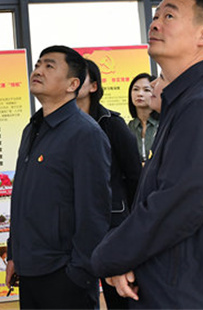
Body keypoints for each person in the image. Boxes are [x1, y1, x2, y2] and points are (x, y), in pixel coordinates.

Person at [91, 0, 203, 308]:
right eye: (155, 16)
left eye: (169, 15)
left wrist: (109, 256)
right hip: (178, 285)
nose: (155, 23)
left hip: (194, 294)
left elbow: (176, 204)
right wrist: (124, 258)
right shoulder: (188, 100)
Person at [5, 45, 111, 309]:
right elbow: (21, 197)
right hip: (29, 270)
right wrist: (15, 254)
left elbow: (94, 211)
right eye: (38, 65)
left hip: (64, 275)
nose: (38, 70)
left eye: (49, 66)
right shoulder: (32, 129)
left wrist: (79, 273)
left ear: (73, 84)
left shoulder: (85, 133)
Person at [76, 57, 141, 310]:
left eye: (80, 75)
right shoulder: (61, 126)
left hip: (114, 223)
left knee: (118, 295)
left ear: (93, 86)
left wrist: (133, 223)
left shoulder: (111, 123)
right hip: (78, 223)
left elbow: (134, 176)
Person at [126, 73, 158, 163]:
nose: (140, 94)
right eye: (135, 89)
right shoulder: (128, 127)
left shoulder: (163, 124)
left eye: (146, 90)